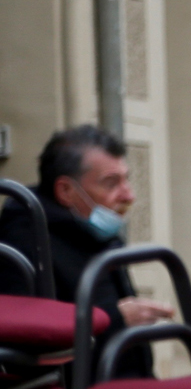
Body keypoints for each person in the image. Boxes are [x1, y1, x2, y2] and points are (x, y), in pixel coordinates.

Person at [0, 125, 166, 373]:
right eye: (111, 183)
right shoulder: (24, 245)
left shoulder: (94, 232)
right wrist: (116, 320)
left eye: (126, 179)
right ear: (66, 191)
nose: (128, 195)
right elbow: (30, 350)